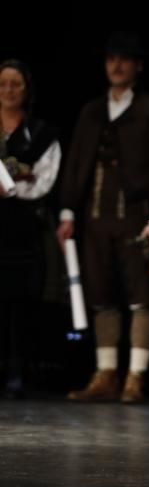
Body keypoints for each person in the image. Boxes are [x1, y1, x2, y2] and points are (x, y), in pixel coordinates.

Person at [57, 34, 149, 404]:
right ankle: (106, 373)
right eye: (111, 59)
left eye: (125, 59)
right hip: (96, 217)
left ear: (137, 66)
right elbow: (76, 163)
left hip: (136, 217)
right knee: (101, 294)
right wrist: (67, 210)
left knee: (142, 296)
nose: (117, 66)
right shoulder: (92, 111)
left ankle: (136, 376)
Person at [0, 60, 61, 398]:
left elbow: (44, 181)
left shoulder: (41, 134)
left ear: (27, 90)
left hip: (23, 228)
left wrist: (10, 188)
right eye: (3, 84)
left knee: (22, 302)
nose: (8, 91)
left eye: (15, 84)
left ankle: (18, 370)